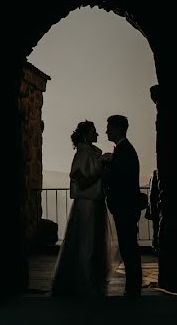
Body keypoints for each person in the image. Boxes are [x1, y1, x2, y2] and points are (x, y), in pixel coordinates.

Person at [51, 120, 114, 297]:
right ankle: (85, 282)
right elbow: (83, 182)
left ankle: (91, 280)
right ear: (86, 134)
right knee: (87, 243)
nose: (98, 134)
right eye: (94, 131)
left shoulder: (91, 153)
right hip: (87, 204)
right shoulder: (82, 155)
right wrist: (101, 166)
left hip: (95, 203)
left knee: (94, 242)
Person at [103, 114, 143, 297]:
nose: (106, 131)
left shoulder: (124, 151)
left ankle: (133, 287)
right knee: (128, 246)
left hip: (125, 207)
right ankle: (133, 286)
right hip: (126, 207)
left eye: (109, 127)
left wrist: (106, 170)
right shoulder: (124, 150)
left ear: (118, 129)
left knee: (129, 247)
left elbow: (120, 181)